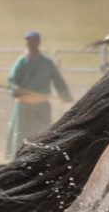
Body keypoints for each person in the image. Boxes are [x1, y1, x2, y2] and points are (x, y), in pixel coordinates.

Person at [6, 30, 73, 158]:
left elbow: (58, 80)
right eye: (28, 40)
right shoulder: (20, 62)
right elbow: (12, 82)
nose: (30, 43)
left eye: (32, 40)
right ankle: (16, 158)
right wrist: (15, 88)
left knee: (41, 134)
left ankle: (39, 157)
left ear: (38, 43)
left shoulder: (47, 63)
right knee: (20, 135)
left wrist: (65, 94)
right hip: (23, 107)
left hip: (41, 105)